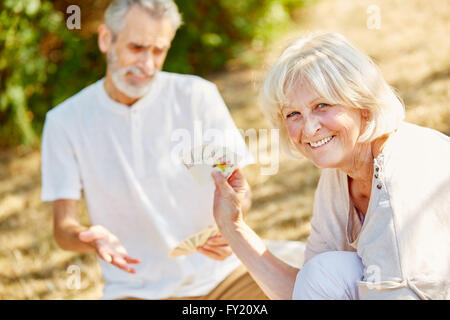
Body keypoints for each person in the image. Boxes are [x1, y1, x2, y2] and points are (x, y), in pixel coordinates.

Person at [41, 0, 268, 300]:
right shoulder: (66, 122)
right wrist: (91, 240)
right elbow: (63, 229)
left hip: (224, 277)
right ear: (106, 39)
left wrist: (231, 220)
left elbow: (239, 190)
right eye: (137, 47)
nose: (147, 65)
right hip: (134, 289)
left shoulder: (195, 98)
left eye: (158, 50)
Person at [210, 32, 450, 300]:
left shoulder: (402, 172)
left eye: (322, 105)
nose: (310, 128)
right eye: (293, 114)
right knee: (321, 273)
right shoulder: (337, 177)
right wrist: (232, 227)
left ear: (363, 105)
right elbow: (307, 291)